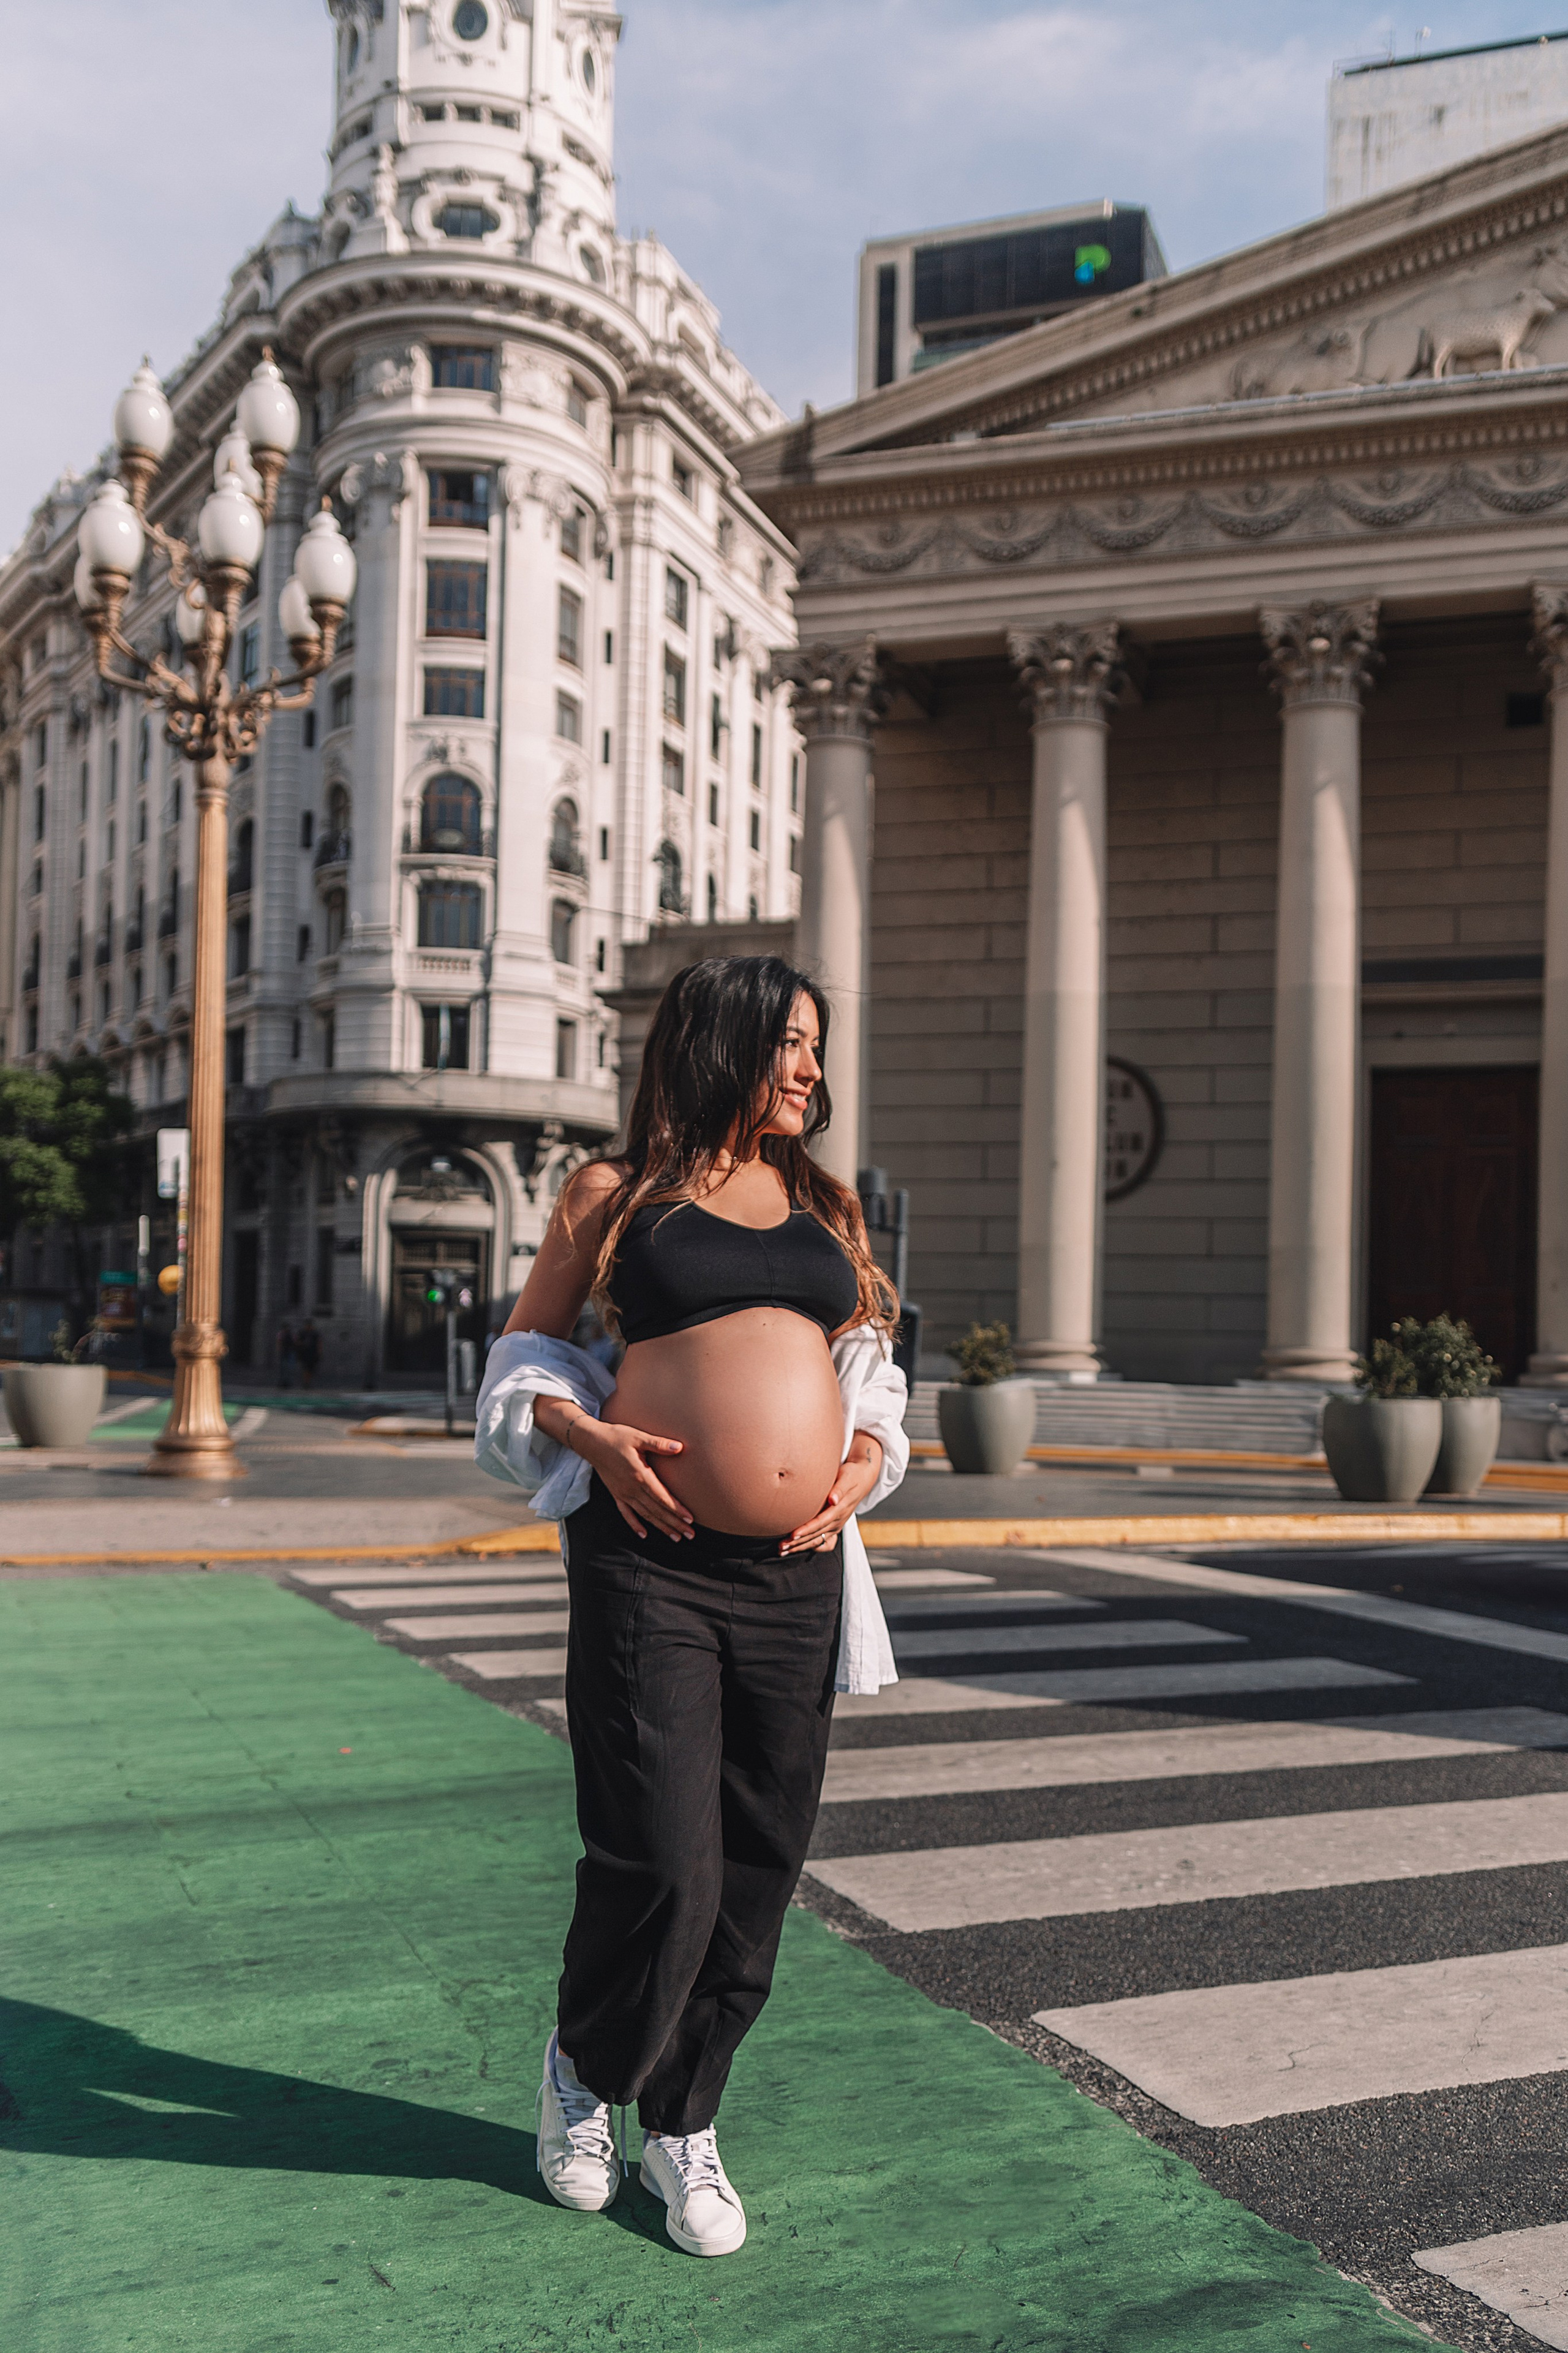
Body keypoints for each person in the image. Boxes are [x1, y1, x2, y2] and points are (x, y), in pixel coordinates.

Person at [477, 957, 908, 2259]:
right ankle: (582, 2068)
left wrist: (865, 1463)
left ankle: (684, 2119)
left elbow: (867, 1369)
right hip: (646, 1559)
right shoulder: (616, 1196)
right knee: (661, 1855)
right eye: (786, 1043)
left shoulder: (826, 1204)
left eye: (816, 1048)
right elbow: (520, 1356)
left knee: (759, 1865)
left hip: (794, 1575)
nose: (808, 1070)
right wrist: (586, 1437)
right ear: (719, 1044)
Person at [294, 1316, 320, 1389]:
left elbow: (319, 1343)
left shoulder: (314, 1333)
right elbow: (297, 1341)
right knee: (305, 1369)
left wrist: (319, 1353)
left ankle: (308, 1382)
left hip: (312, 1354)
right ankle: (306, 1383)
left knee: (311, 1370)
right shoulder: (302, 1333)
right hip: (305, 1354)